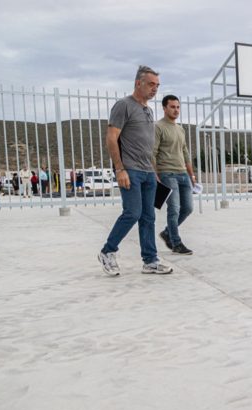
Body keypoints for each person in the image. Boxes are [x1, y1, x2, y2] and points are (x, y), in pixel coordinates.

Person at [97, 65, 172, 276]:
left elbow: (147, 145)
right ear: (138, 83)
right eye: (151, 84)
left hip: (148, 172)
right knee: (132, 212)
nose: (155, 89)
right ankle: (107, 251)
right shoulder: (123, 105)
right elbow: (111, 138)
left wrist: (154, 171)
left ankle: (150, 260)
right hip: (130, 170)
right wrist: (119, 169)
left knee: (148, 217)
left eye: (157, 85)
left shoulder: (147, 110)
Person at [154, 94, 196, 255]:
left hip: (183, 173)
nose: (176, 110)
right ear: (164, 108)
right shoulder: (158, 127)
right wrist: (155, 174)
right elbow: (153, 152)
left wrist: (191, 175)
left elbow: (185, 152)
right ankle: (176, 243)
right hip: (167, 173)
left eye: (178, 107)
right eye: (172, 107)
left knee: (188, 208)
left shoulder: (180, 129)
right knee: (174, 209)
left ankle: (167, 233)